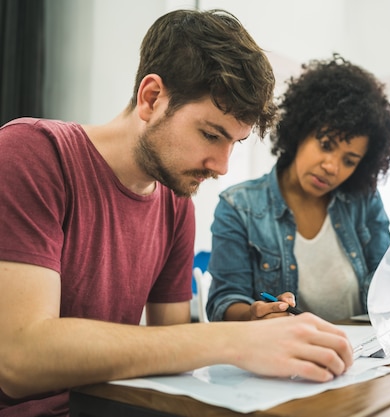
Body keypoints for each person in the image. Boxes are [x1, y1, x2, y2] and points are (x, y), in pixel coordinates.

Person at [0, 10, 353, 416]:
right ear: (152, 98)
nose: (221, 166)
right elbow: (18, 358)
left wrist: (248, 331)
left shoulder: (175, 203)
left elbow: (170, 343)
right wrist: (231, 342)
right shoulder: (32, 153)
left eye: (234, 143)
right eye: (210, 134)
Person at [206, 54, 390, 323]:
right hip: (282, 358)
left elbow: (384, 288)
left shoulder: (363, 201)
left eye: (349, 160)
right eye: (326, 145)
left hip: (364, 356)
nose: (332, 167)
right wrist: (254, 314)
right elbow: (224, 303)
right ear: (299, 132)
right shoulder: (240, 206)